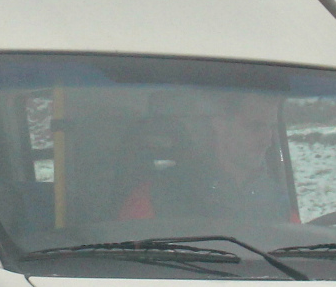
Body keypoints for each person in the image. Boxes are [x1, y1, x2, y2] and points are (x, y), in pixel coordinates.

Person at [115, 90, 296, 224]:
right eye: (255, 127)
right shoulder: (157, 197)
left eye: (271, 127)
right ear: (220, 126)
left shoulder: (277, 200)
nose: (268, 140)